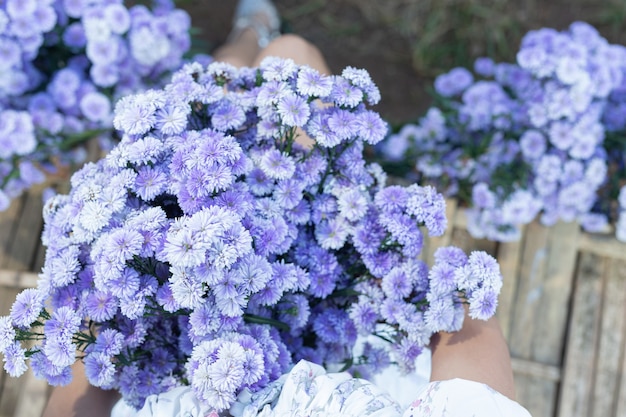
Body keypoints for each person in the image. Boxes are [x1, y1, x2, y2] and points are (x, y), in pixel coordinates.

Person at [42, 1, 531, 416]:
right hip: (347, 332)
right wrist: (383, 267)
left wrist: (99, 306)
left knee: (237, 88)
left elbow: (78, 395)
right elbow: (468, 324)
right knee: (285, 64)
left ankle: (244, 38)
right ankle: (245, 45)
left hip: (170, 352)